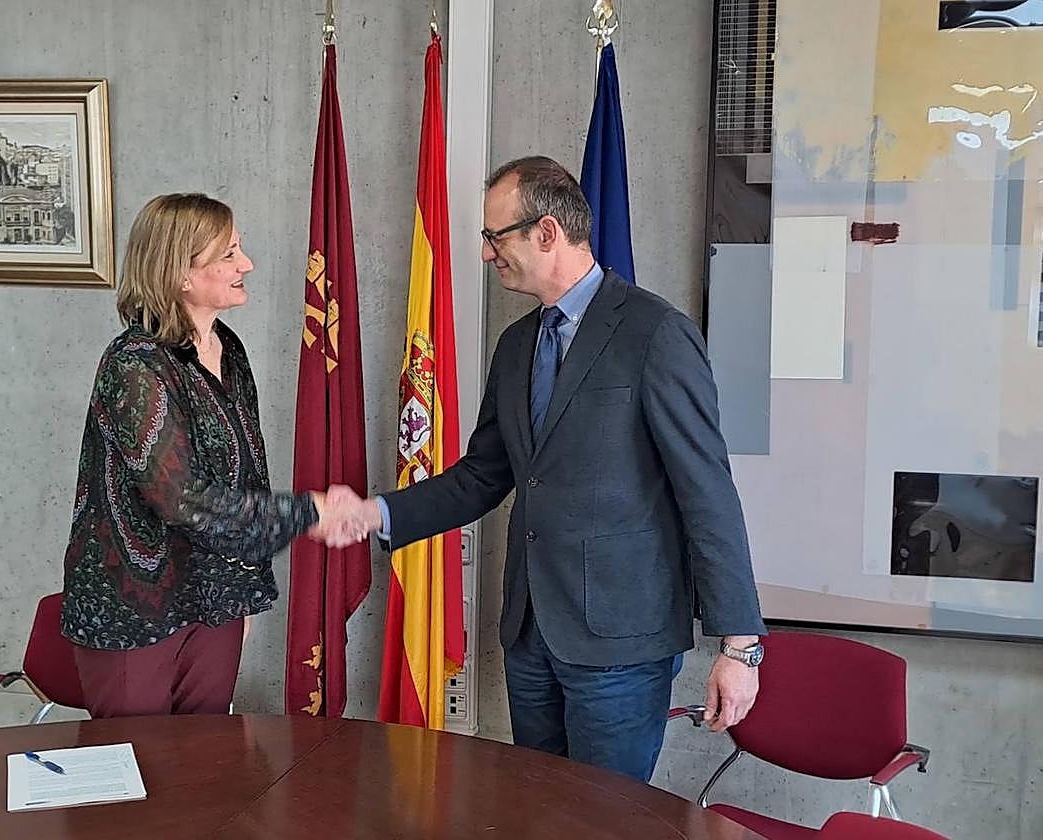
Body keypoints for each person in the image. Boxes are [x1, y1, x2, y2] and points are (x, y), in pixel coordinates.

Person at [325, 157, 767, 782]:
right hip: (531, 636)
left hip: (619, 645)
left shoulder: (656, 333)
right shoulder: (516, 346)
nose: (487, 253)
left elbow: (708, 491)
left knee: (607, 821)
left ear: (547, 232)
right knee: (538, 812)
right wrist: (377, 513)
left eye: (495, 236)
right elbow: (483, 475)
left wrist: (740, 645)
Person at [60, 193, 356, 718]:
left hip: (216, 599)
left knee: (205, 758)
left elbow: (248, 473)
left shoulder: (229, 348)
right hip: (135, 608)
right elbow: (180, 498)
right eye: (229, 254)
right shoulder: (135, 365)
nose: (247, 264)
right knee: (140, 759)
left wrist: (243, 589)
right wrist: (307, 512)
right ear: (179, 274)